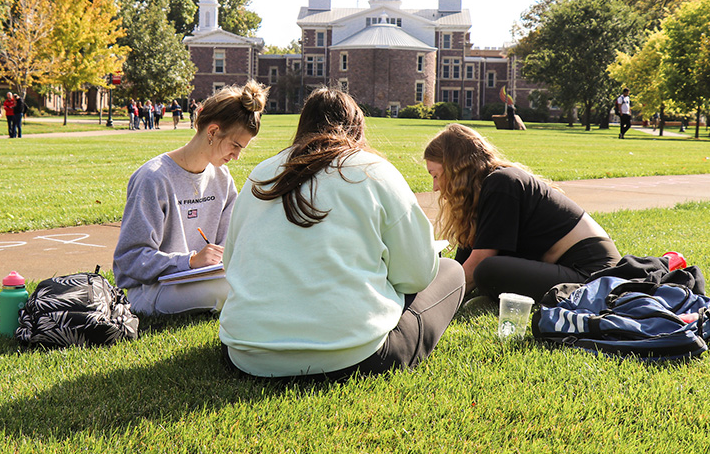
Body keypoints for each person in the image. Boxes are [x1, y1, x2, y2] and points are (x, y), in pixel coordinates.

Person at [219, 88, 465, 380]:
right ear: (357, 127)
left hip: (245, 352)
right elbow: (417, 275)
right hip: (353, 356)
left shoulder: (262, 174)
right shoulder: (375, 172)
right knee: (451, 271)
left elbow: (231, 263)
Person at [112, 79, 269, 316]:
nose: (236, 156)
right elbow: (130, 260)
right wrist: (191, 262)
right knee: (234, 289)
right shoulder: (153, 178)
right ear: (213, 131)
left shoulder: (222, 178)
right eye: (235, 146)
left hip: (204, 281)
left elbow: (230, 244)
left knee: (260, 276)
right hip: (152, 289)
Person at [423, 123, 621, 302]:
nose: (435, 187)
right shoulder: (481, 192)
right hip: (570, 270)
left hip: (593, 274)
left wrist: (433, 302)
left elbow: (479, 262)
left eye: (436, 176)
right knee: (477, 271)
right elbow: (463, 264)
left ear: (456, 170)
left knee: (487, 270)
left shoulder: (501, 183)